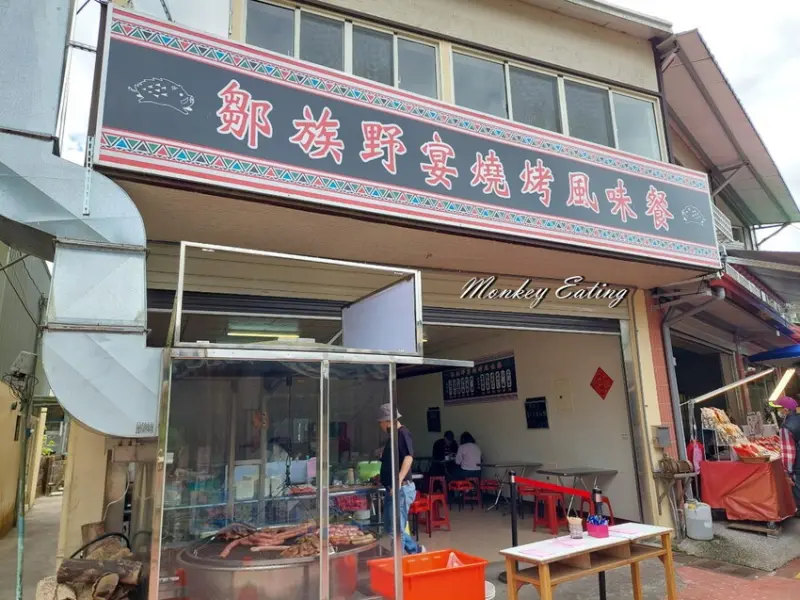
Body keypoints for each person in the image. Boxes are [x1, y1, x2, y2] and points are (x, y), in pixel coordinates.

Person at [377, 403, 424, 554]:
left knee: (396, 530)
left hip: (401, 488)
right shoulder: (392, 437)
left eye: (381, 423)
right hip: (391, 488)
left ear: (388, 421)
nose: (380, 426)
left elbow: (408, 458)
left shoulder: (402, 433)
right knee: (391, 527)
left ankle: (398, 562)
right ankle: (416, 550)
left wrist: (397, 481)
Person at [774, 396, 800, 512]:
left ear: (785, 410)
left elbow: (788, 453)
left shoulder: (786, 427)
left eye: (779, 409)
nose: (778, 411)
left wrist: (788, 473)